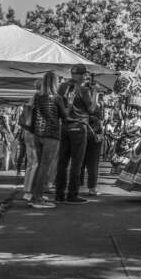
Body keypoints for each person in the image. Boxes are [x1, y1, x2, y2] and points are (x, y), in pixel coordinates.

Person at [54, 64, 98, 204]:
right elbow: (91, 109)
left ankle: (59, 194)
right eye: (84, 74)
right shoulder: (83, 90)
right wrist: (95, 93)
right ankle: (72, 195)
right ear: (80, 75)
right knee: (76, 163)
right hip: (79, 126)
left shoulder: (61, 88)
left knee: (62, 162)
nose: (85, 77)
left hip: (64, 126)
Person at [27, 71, 68, 208]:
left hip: (38, 134)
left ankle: (34, 195)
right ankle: (37, 199)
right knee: (45, 167)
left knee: (40, 165)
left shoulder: (37, 96)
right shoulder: (57, 98)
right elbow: (65, 116)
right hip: (51, 135)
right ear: (55, 83)